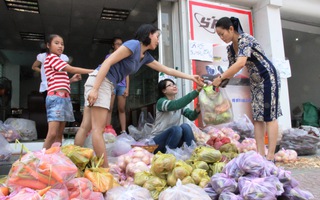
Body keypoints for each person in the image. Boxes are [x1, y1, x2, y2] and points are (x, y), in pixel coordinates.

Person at [81, 24, 203, 167]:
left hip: (106, 83)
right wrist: (95, 89)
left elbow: (166, 69)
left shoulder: (145, 57)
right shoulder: (133, 45)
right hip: (101, 81)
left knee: (85, 127)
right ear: (149, 34)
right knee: (97, 128)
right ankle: (105, 169)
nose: (158, 41)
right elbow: (107, 61)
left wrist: (190, 77)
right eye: (157, 36)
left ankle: (77, 163)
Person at [213, 17, 282, 162]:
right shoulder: (230, 49)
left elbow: (240, 64)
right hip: (255, 81)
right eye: (218, 35)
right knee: (258, 118)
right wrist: (218, 83)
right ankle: (260, 154)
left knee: (269, 116)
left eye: (222, 34)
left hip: (268, 77)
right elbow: (232, 69)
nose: (221, 37)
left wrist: (220, 77)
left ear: (231, 29)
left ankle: (270, 157)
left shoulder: (245, 39)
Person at [42, 34, 93, 149]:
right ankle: (41, 160)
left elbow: (58, 82)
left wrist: (71, 80)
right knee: (52, 134)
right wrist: (93, 71)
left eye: (62, 44)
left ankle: (56, 158)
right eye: (56, 43)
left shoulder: (57, 61)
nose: (60, 46)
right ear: (48, 45)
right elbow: (71, 69)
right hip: (56, 99)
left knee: (59, 134)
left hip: (64, 98)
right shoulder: (51, 58)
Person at [150, 79, 201, 153]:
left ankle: (193, 152)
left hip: (173, 138)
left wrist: (197, 110)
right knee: (177, 129)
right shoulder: (161, 102)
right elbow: (175, 105)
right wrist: (196, 91)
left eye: (174, 84)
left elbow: (191, 116)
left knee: (185, 126)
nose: (173, 86)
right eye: (169, 85)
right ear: (164, 91)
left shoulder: (177, 103)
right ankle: (168, 155)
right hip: (157, 142)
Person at [105, 37, 130, 135]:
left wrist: (127, 88)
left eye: (121, 44)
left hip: (122, 86)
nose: (120, 45)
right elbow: (106, 70)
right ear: (113, 45)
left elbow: (127, 73)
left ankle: (123, 131)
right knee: (109, 108)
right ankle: (107, 129)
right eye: (117, 44)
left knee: (121, 108)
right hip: (112, 84)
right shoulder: (109, 56)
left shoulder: (125, 57)